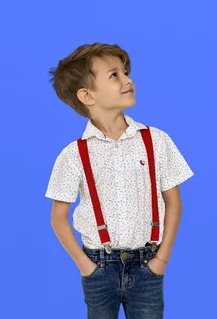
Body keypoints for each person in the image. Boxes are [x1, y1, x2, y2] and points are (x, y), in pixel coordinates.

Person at [45, 42, 194, 319]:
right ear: (87, 95)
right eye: (114, 75)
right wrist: (84, 265)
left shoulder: (156, 141)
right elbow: (58, 216)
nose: (128, 79)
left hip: (148, 262)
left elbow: (173, 202)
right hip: (98, 267)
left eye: (125, 72)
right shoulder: (74, 154)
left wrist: (161, 259)